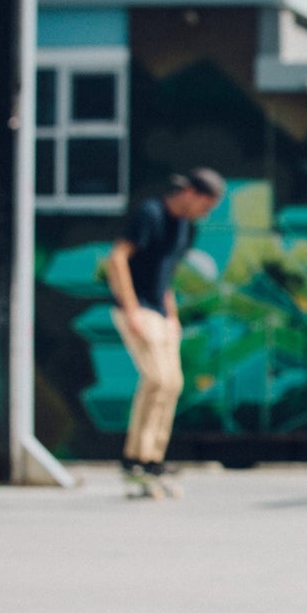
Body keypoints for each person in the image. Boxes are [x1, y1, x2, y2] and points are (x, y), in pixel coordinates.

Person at [103, 168, 224, 488]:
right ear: (190, 193)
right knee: (156, 378)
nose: (205, 213)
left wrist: (173, 315)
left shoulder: (185, 228)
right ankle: (135, 458)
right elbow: (117, 259)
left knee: (171, 383)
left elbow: (164, 274)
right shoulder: (151, 214)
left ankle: (150, 457)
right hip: (137, 308)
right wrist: (131, 310)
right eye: (205, 205)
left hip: (161, 312)